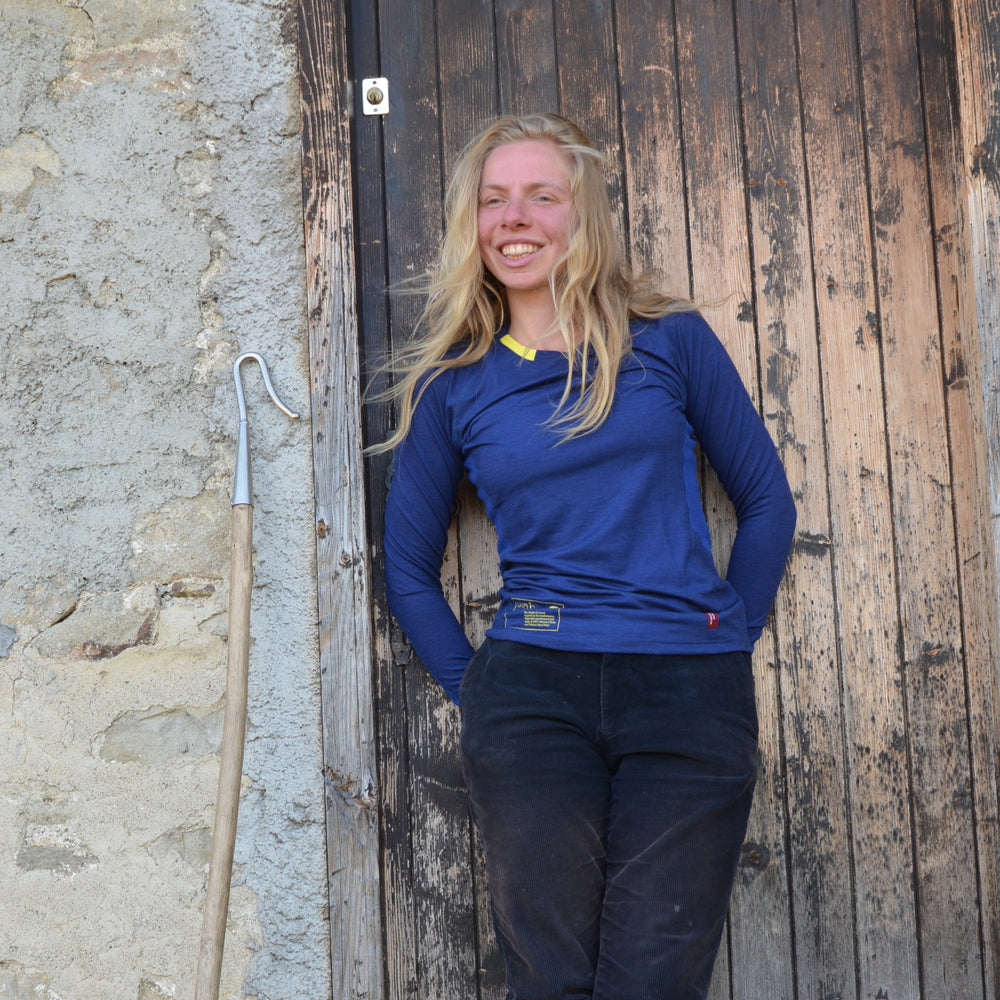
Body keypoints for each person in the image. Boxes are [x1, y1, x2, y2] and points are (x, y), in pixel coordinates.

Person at [377, 113, 796, 1000]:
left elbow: (764, 502)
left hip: (689, 695)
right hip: (535, 702)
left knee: (653, 981)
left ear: (583, 216)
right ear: (473, 223)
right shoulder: (457, 382)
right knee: (550, 980)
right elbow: (408, 569)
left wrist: (726, 637)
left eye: (541, 195)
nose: (514, 217)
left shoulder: (668, 341)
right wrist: (480, 689)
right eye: (494, 199)